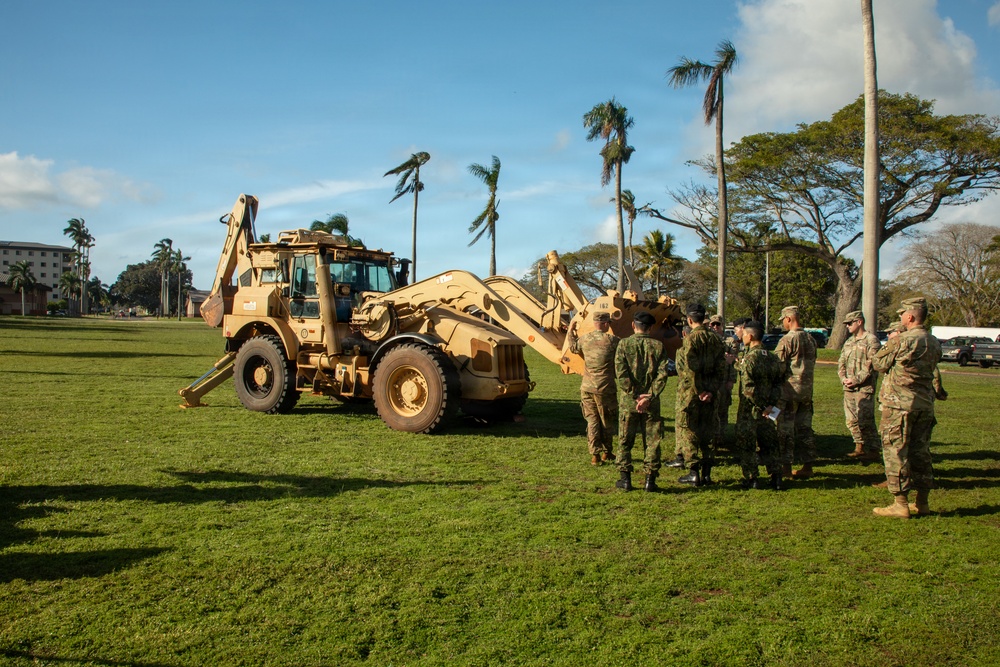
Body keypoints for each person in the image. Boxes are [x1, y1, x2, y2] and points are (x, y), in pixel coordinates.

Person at [871, 297, 943, 518]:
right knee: (921, 453)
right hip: (924, 405)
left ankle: (900, 503)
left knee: (896, 452)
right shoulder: (933, 342)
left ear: (910, 316)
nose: (900, 317)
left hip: (899, 406)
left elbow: (878, 363)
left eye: (902, 314)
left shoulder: (901, 341)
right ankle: (922, 502)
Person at [613, 311, 671, 492]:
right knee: (652, 442)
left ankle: (625, 480)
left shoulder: (623, 344)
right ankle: (650, 481)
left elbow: (620, 373)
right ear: (650, 327)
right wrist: (649, 396)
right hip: (651, 403)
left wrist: (635, 395)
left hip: (629, 402)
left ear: (633, 325)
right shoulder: (658, 346)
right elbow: (663, 374)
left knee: (625, 440)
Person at [674, 303, 727, 487]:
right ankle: (707, 474)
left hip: (693, 394)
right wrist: (711, 391)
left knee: (690, 431)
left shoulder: (690, 339)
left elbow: (690, 369)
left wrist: (700, 391)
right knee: (708, 431)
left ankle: (693, 472)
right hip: (712, 394)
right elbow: (722, 368)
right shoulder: (716, 339)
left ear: (689, 320)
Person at [735, 321, 785, 490]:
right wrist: (771, 405)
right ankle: (776, 476)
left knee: (747, 443)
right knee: (770, 443)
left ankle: (752, 478)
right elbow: (779, 384)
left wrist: (761, 405)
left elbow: (748, 387)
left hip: (751, 410)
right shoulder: (772, 357)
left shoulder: (750, 358)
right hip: (769, 411)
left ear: (750, 336)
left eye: (744, 334)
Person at [570, 311, 620, 466]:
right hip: (606, 388)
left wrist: (571, 331)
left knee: (592, 421)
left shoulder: (584, 339)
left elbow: (572, 347)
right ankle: (607, 452)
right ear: (605, 324)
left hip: (587, 387)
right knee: (606, 420)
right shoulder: (613, 341)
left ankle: (594, 455)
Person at [775, 305, 818, 479]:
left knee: (785, 431)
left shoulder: (787, 340)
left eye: (784, 320)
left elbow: (779, 366)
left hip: (789, 392)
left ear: (789, 319)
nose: (783, 324)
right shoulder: (811, 339)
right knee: (805, 429)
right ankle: (808, 465)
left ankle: (786, 468)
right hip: (806, 391)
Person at [838, 310, 881, 461]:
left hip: (864, 387)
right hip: (848, 387)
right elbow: (841, 362)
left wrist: (856, 380)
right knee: (851, 420)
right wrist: (843, 377)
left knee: (865, 420)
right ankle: (859, 446)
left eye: (850, 323)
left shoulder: (871, 340)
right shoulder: (849, 342)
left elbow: (871, 364)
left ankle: (873, 449)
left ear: (859, 322)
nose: (848, 326)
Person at [709, 314, 735, 450]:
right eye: (712, 324)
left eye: (717, 325)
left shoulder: (729, 341)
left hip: (724, 380)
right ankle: (712, 436)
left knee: (723, 410)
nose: (715, 327)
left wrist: (731, 379)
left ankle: (721, 436)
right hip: (711, 380)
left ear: (722, 325)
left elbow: (732, 362)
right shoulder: (708, 339)